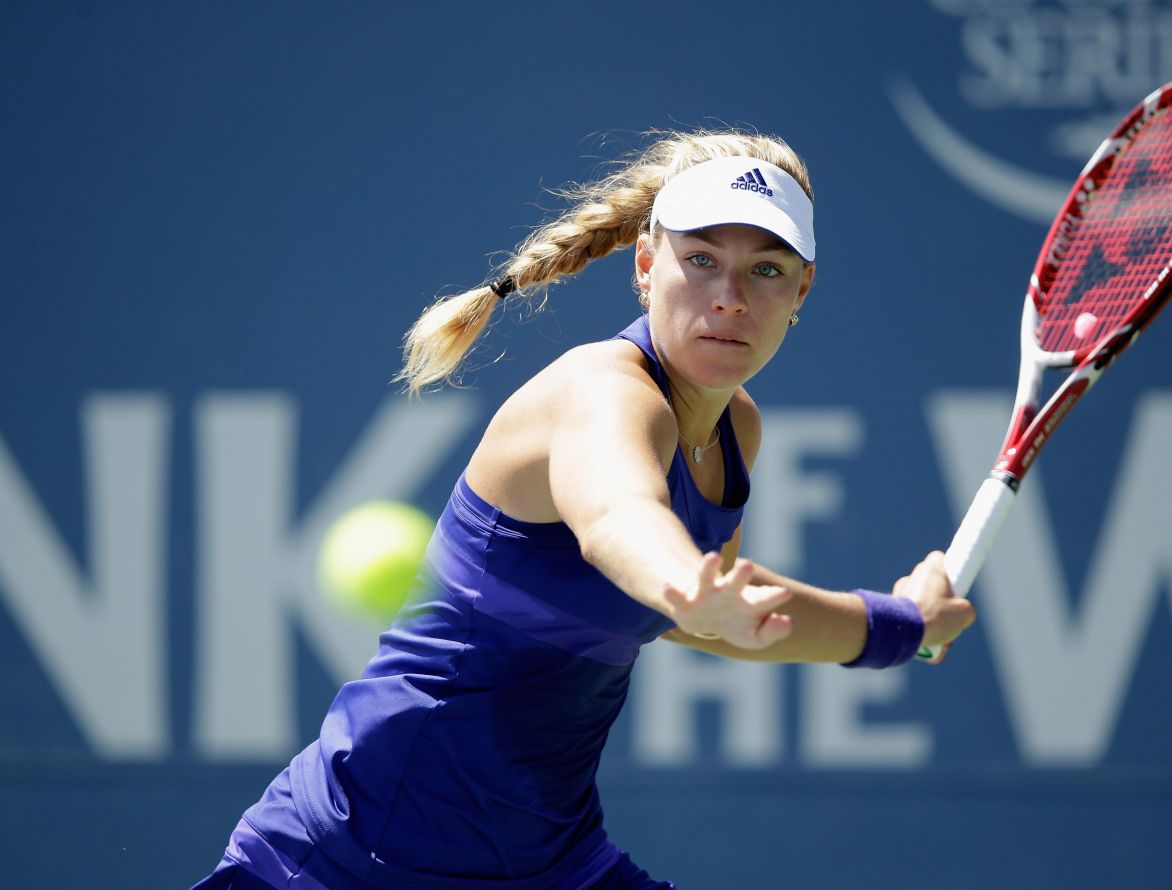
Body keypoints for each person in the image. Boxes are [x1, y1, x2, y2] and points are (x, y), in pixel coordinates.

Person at [191, 129, 976, 890]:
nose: (730, 298)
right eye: (700, 260)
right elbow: (618, 519)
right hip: (354, 855)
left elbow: (707, 613)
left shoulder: (737, 429)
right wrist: (684, 582)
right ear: (645, 266)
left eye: (765, 270)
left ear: (801, 290)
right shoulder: (599, 392)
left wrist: (897, 627)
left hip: (546, 858)